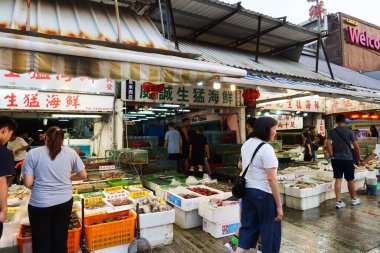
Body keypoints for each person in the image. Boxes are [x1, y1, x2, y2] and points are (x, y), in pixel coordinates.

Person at [23, 126, 87, 253]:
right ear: (62, 140)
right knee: (60, 238)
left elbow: (27, 183)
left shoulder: (32, 154)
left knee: (41, 241)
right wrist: (68, 177)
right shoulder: (71, 152)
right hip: (64, 202)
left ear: (45, 137)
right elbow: (83, 175)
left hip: (40, 204)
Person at [236, 117, 282, 253]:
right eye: (274, 128)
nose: (275, 132)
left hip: (248, 193)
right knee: (269, 231)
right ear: (266, 129)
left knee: (248, 227)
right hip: (264, 195)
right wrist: (279, 205)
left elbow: (241, 165)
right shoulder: (266, 148)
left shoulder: (246, 144)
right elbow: (271, 179)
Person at [326, 114, 362, 209]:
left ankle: (338, 201)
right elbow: (357, 147)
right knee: (350, 180)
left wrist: (331, 154)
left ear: (336, 122)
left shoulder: (332, 132)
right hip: (347, 159)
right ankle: (353, 199)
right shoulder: (349, 132)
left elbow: (328, 144)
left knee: (338, 179)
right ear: (344, 121)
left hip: (336, 159)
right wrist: (358, 158)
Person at [0, 116, 17, 240]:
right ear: (5, 130)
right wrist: (4, 210)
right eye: (10, 135)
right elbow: (1, 181)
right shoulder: (3, 152)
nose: (9, 139)